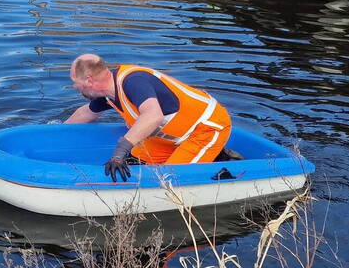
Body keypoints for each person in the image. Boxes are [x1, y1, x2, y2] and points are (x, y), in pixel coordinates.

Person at [65, 54, 232, 182]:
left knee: (167, 180)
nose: (74, 87)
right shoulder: (108, 93)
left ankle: (219, 163)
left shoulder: (133, 81)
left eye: (75, 82)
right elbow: (85, 113)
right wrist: (49, 132)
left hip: (205, 130)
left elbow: (153, 116)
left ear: (88, 80)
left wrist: (119, 152)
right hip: (167, 137)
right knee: (132, 165)